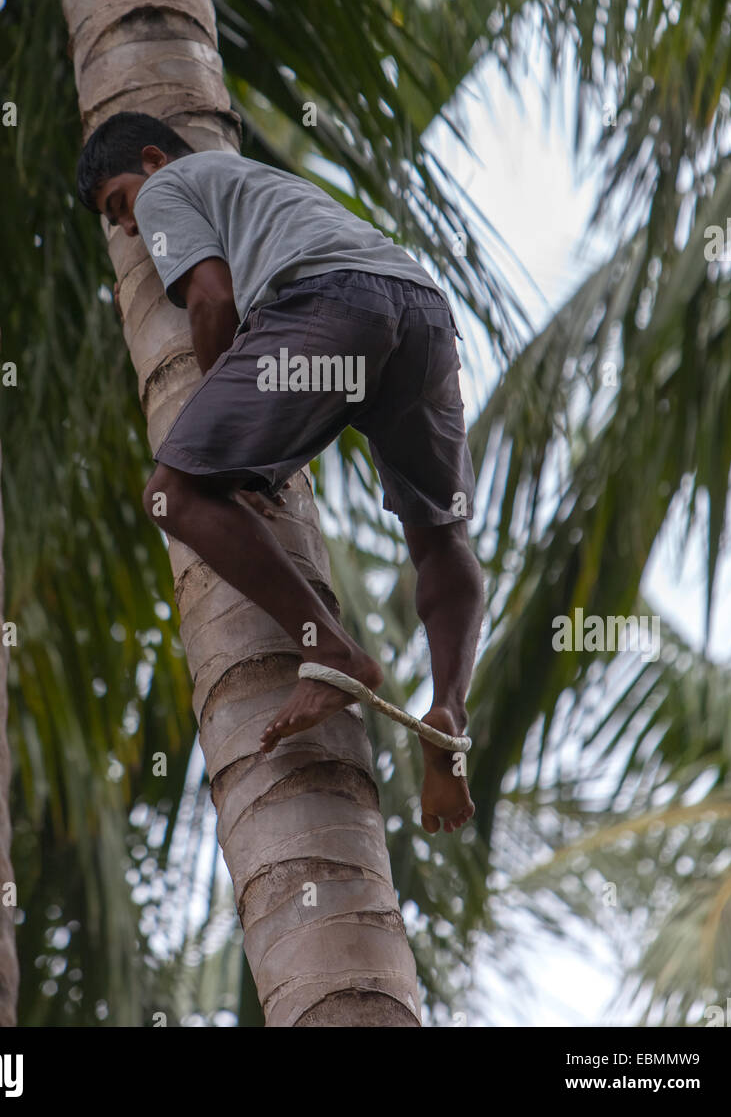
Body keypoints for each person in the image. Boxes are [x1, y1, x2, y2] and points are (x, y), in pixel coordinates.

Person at [77, 111, 484, 832]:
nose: (132, 230)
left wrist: (223, 450)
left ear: (150, 158)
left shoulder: (169, 186)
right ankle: (449, 708)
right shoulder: (260, 185)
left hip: (329, 306)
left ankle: (329, 648)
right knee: (441, 535)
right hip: (421, 313)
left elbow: (212, 298)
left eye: (119, 205)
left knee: (174, 495)